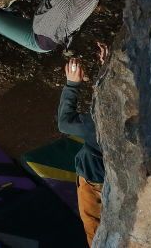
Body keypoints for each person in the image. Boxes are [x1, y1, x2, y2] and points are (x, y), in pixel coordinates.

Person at [58, 55, 106, 246]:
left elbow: (64, 123)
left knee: (93, 229)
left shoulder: (96, 124)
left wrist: (71, 84)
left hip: (95, 180)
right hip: (106, 175)